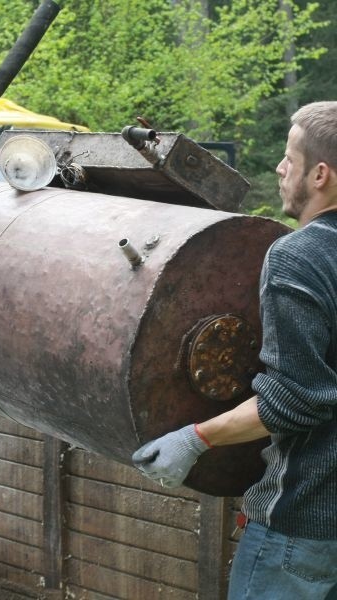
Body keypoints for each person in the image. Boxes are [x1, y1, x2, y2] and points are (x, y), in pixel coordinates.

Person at [132, 101, 337, 599]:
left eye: (291, 158)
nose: (280, 168)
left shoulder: (300, 256)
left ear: (321, 174)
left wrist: (195, 438)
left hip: (303, 527)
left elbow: (297, 397)